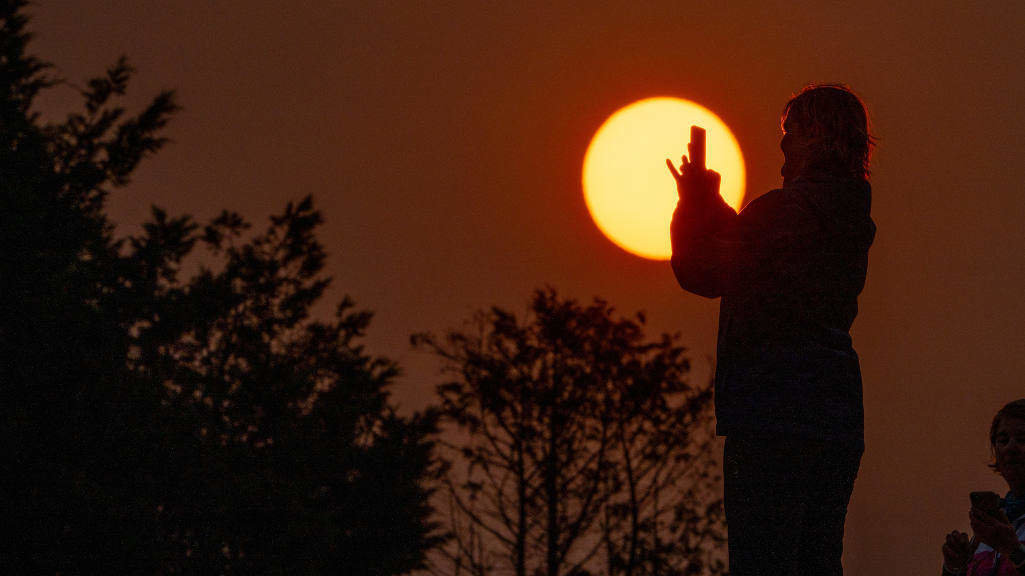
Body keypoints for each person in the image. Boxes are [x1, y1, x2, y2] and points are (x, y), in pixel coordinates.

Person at [666, 84, 876, 576]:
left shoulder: (783, 212)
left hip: (771, 410)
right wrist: (712, 206)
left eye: (791, 134)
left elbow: (705, 269)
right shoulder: (850, 217)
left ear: (816, 137)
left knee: (764, 559)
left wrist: (694, 204)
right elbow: (748, 254)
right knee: (817, 560)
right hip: (835, 411)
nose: (782, 146)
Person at [941, 399, 1025, 576]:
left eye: (1022, 439)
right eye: (1003, 440)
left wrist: (1013, 551)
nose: (1011, 447)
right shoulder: (994, 526)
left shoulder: (999, 532)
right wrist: (954, 567)